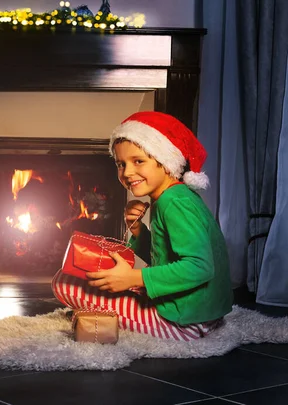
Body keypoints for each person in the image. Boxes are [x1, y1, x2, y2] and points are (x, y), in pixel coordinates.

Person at [51, 111, 233, 341]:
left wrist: (135, 279)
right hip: (201, 312)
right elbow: (167, 258)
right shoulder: (173, 196)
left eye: (138, 161)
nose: (127, 172)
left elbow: (199, 267)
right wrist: (138, 232)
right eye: (120, 164)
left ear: (166, 162)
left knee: (64, 283)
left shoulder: (174, 202)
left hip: (183, 322)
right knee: (111, 284)